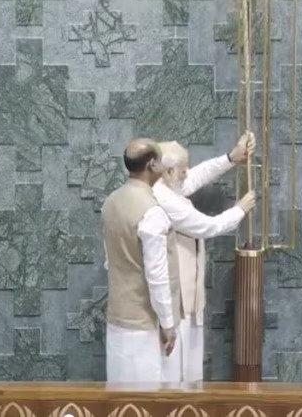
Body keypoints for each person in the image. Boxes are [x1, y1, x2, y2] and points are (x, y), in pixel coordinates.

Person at [155, 132, 256, 382]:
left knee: (186, 365)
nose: (186, 173)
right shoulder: (165, 199)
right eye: (182, 169)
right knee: (174, 370)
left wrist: (231, 158)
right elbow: (208, 227)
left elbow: (196, 176)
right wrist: (240, 210)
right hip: (175, 294)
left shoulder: (167, 185)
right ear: (168, 172)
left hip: (184, 289)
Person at [101, 138, 181, 382]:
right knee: (144, 398)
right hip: (144, 327)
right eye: (160, 161)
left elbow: (110, 261)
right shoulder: (151, 212)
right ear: (151, 164)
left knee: (119, 394)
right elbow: (157, 276)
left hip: (117, 320)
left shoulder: (110, 202)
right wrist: (167, 324)